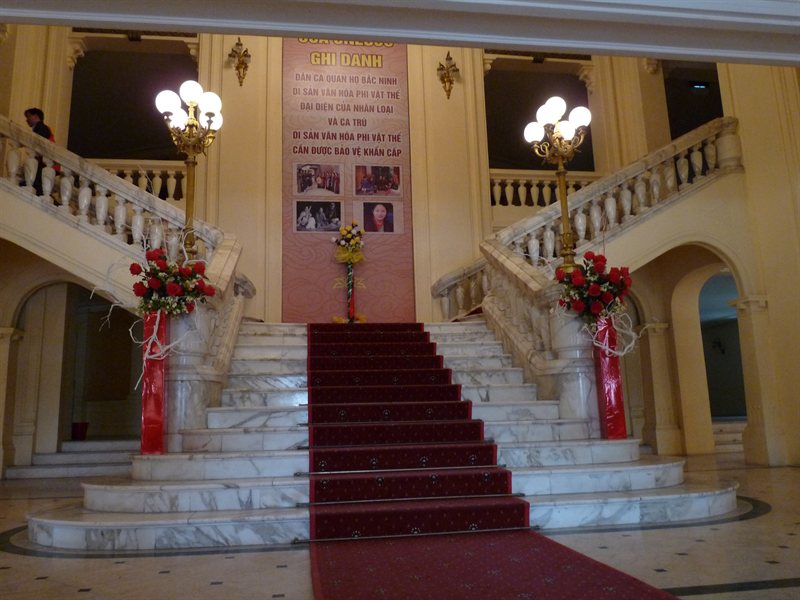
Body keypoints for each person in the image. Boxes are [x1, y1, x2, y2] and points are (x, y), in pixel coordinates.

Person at [24, 107, 55, 195]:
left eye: (29, 116)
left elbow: (40, 143)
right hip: (42, 161)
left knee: (38, 184)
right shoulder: (41, 127)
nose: (27, 120)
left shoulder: (41, 127)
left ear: (36, 117)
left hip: (43, 161)